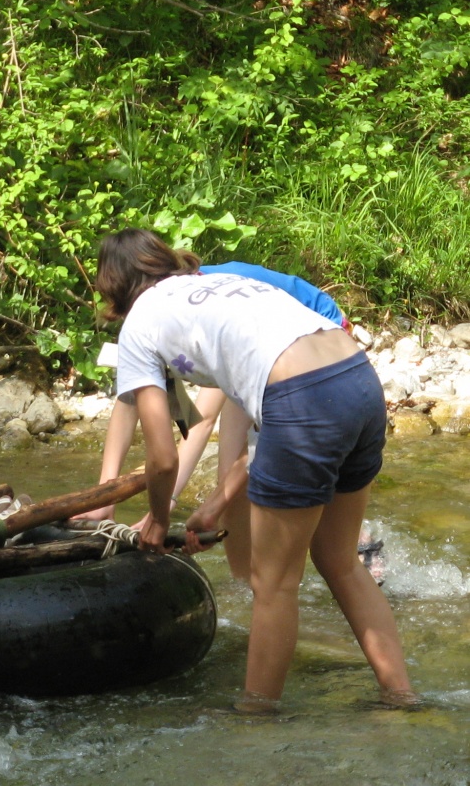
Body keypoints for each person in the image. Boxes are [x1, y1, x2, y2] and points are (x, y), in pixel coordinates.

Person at [93, 229, 414, 712]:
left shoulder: (140, 323)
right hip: (358, 380)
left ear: (114, 291)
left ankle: (257, 714)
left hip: (302, 397)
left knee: (273, 583)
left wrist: (158, 520)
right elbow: (274, 432)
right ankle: (402, 696)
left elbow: (162, 456)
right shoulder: (219, 286)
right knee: (340, 561)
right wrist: (218, 504)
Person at [80, 260, 356, 582]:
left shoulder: (199, 308)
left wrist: (165, 507)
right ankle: (246, 584)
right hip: (263, 348)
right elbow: (129, 404)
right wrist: (105, 496)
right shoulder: (163, 308)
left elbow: (202, 420)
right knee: (228, 482)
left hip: (317, 335)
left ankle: (349, 546)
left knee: (238, 478)